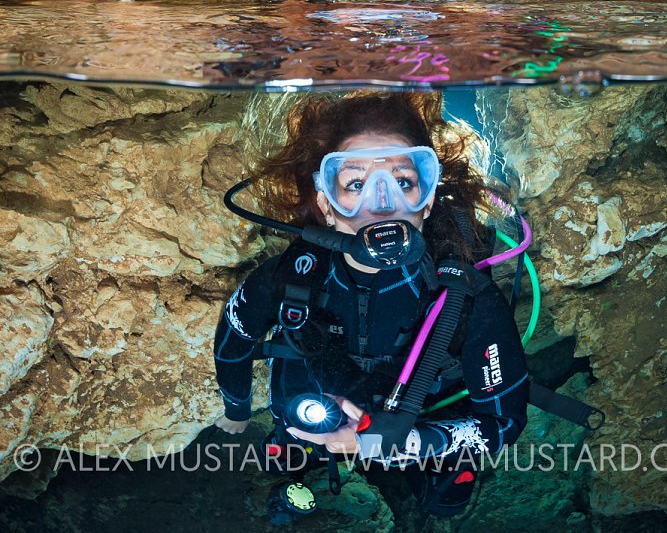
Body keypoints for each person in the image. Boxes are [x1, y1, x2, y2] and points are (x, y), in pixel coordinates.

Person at [213, 91, 529, 517]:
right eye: (356, 184)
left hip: (421, 421)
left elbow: (503, 424)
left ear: (429, 198)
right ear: (326, 204)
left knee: (447, 502)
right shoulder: (288, 276)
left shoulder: (467, 295)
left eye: (403, 182)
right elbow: (235, 334)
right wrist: (236, 409)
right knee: (284, 469)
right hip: (316, 414)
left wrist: (409, 443)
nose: (382, 205)